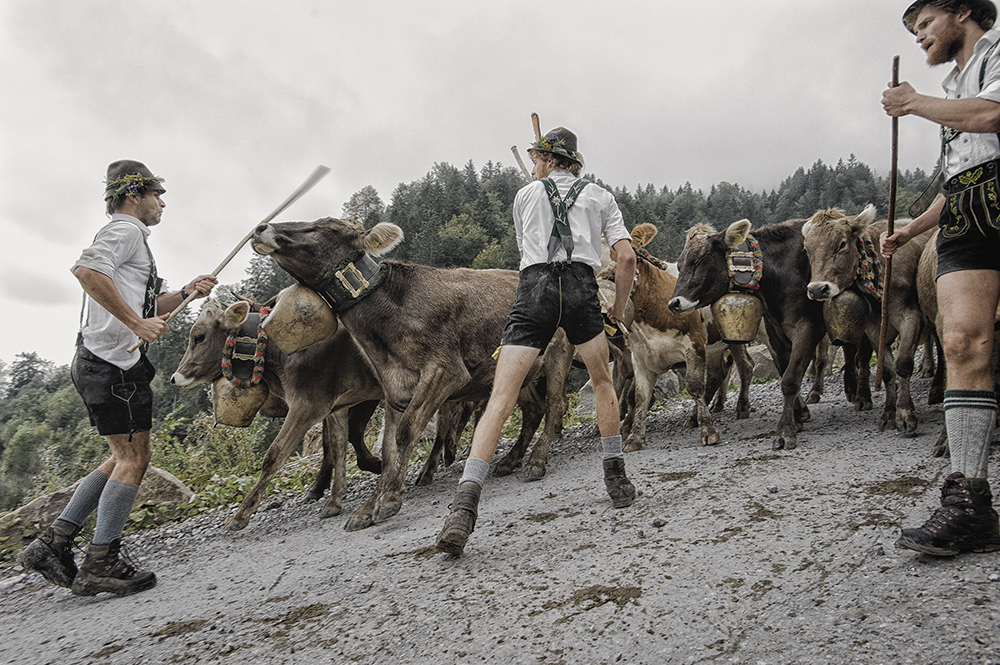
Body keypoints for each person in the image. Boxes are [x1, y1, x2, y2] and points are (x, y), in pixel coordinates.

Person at [18, 160, 217, 595]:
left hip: (102, 362)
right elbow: (87, 272)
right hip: (112, 365)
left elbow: (149, 304)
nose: (162, 202)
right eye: (156, 194)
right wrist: (137, 324)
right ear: (134, 196)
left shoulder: (134, 242)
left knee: (120, 457)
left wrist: (185, 293)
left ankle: (53, 542)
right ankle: (100, 562)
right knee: (134, 461)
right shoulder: (124, 231)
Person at [436, 126, 638, 555]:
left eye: (536, 159)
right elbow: (626, 257)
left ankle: (463, 508)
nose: (532, 166)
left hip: (535, 289)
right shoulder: (601, 196)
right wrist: (617, 310)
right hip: (582, 289)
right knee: (602, 381)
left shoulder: (525, 196)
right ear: (575, 163)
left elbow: (526, 252)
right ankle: (616, 478)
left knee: (501, 397)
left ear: (547, 160)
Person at [881, 0, 1000, 556]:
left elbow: (993, 117)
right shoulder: (951, 90)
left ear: (962, 11)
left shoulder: (996, 56)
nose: (920, 36)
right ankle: (970, 501)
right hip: (966, 212)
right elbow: (959, 179)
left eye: (925, 23)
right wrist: (910, 231)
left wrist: (912, 103)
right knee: (959, 342)